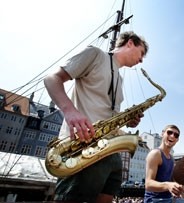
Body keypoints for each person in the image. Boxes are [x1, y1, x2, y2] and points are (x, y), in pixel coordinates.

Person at [44, 31, 149, 203]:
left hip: (110, 152)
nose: (142, 60)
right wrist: (70, 111)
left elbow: (108, 115)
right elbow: (51, 79)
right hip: (82, 148)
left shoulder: (120, 80)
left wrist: (128, 121)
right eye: (142, 53)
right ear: (130, 43)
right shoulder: (95, 54)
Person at [144, 124, 184, 203]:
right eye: (169, 132)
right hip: (153, 200)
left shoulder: (171, 159)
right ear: (162, 134)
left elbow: (175, 183)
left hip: (168, 200)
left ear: (177, 140)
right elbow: (148, 184)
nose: (172, 136)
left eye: (176, 135)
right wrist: (168, 185)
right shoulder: (155, 154)